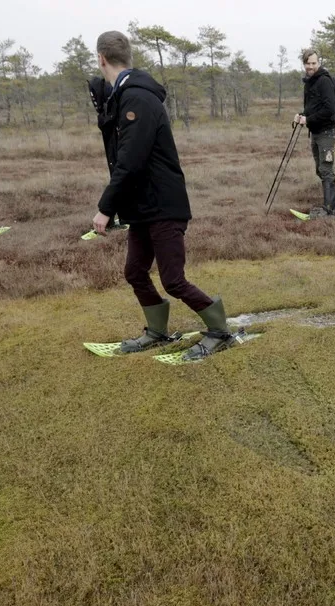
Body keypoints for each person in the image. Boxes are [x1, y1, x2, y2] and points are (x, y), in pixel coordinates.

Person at [90, 30, 237, 361]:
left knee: (173, 279)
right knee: (134, 272)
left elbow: (130, 160)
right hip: (142, 206)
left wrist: (104, 208)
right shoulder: (123, 96)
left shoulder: (138, 99)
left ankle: (220, 331)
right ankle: (157, 331)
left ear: (101, 59)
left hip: (163, 205)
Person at [294, 49, 335, 217]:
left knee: (326, 169)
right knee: (320, 169)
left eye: (314, 63)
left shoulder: (324, 81)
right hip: (315, 132)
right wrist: (301, 115)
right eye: (308, 63)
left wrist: (309, 120)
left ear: (318, 63)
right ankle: (328, 207)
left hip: (327, 132)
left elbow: (329, 110)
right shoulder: (309, 82)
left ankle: (330, 210)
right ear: (304, 64)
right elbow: (311, 108)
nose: (311, 66)